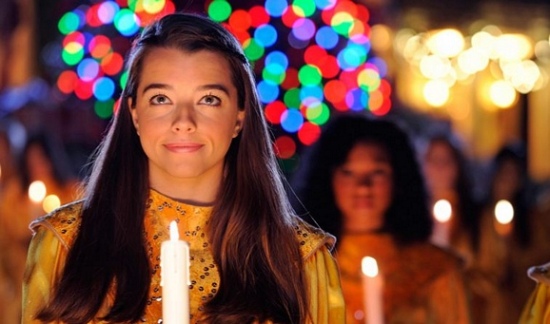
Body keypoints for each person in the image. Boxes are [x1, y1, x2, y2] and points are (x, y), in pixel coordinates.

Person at [22, 12, 345, 323]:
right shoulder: (66, 245)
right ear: (134, 113)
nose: (184, 123)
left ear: (239, 115)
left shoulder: (299, 260)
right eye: (161, 99)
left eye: (209, 99)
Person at [291, 113, 471, 323]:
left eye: (377, 172)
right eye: (348, 172)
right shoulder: (305, 268)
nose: (363, 186)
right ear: (327, 179)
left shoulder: (437, 271)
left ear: (399, 179)